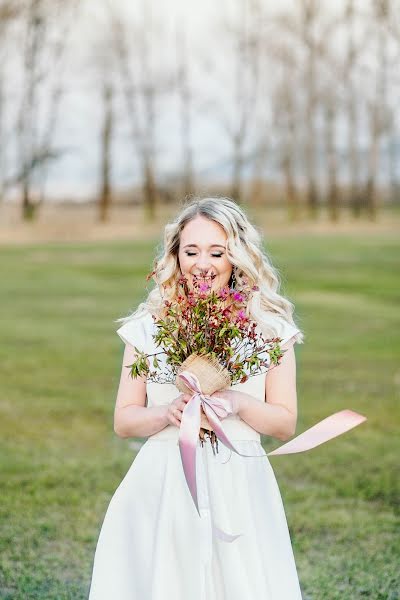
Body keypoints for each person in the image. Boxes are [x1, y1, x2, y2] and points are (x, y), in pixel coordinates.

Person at [88, 197, 305, 599]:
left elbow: (284, 423)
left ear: (236, 257)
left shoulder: (269, 331)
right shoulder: (149, 327)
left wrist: (238, 402)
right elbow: (125, 421)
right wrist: (168, 413)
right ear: (176, 255)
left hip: (239, 485)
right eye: (191, 251)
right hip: (165, 483)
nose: (202, 263)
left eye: (217, 251)